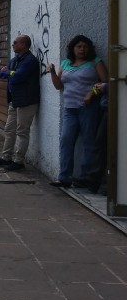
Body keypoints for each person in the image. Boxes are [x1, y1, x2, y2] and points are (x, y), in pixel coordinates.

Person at [47, 35, 108, 188]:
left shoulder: (95, 62)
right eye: (79, 46)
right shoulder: (66, 63)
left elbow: (106, 82)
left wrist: (91, 93)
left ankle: (85, 178)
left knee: (89, 142)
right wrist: (53, 72)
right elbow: (59, 86)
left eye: (85, 47)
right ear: (73, 48)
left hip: (88, 109)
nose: (82, 49)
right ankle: (64, 177)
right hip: (70, 109)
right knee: (66, 141)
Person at [0, 35, 41, 172]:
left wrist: (9, 72)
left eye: (15, 43)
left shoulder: (30, 61)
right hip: (14, 100)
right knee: (9, 129)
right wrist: (8, 72)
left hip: (26, 101)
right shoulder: (16, 60)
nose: (13, 45)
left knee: (22, 131)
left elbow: (17, 76)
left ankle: (19, 161)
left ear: (23, 44)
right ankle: (6, 157)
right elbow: (2, 73)